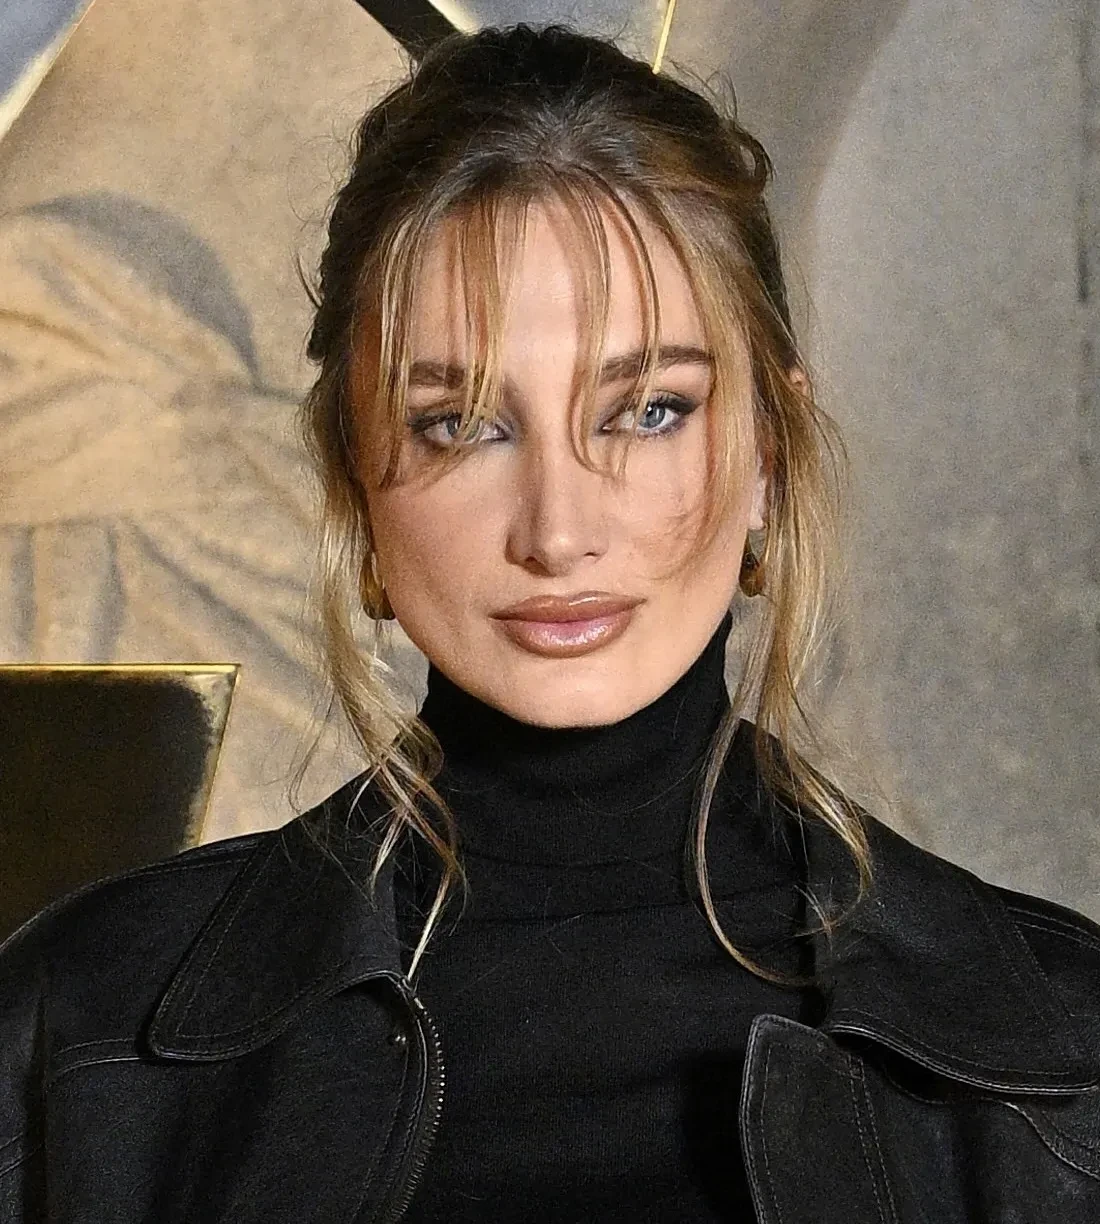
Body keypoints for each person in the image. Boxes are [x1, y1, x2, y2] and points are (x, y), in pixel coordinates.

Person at [1, 22, 1099, 1223]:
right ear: (353, 480)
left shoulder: (1063, 1061)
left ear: (768, 458)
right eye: (460, 423)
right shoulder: (76, 1035)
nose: (558, 530)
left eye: (647, 410)